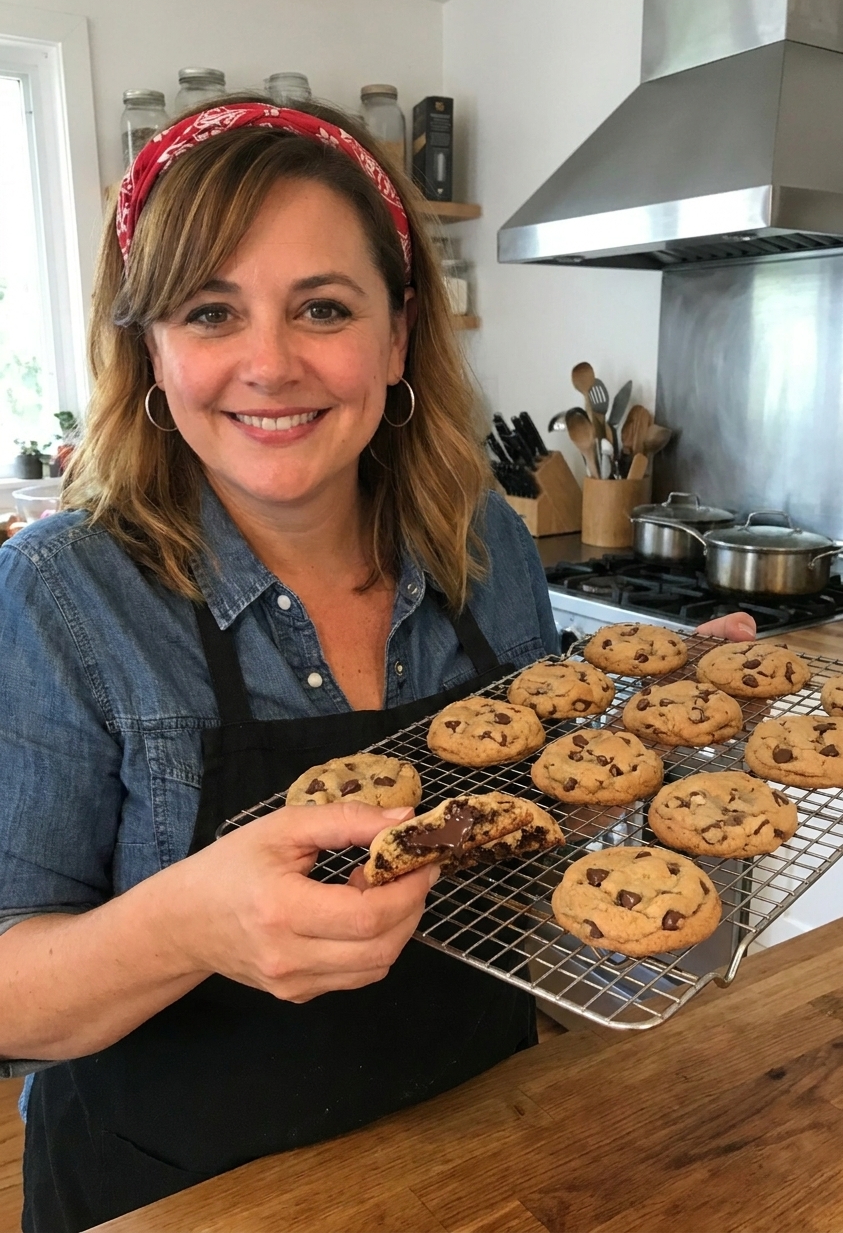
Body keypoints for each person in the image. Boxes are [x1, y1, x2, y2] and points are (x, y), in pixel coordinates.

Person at [0, 97, 755, 1232]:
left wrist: (656, 713)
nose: (269, 363)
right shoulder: (63, 590)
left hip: (491, 1145)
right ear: (150, 347)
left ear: (397, 336)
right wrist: (192, 924)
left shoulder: (480, 537)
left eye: (323, 307)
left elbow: (543, 805)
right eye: (211, 311)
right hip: (180, 1192)